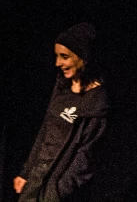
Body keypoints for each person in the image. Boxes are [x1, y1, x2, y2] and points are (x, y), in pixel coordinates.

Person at [14, 23, 109, 202]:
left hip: (57, 188)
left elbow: (85, 159)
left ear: (84, 57)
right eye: (57, 56)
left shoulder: (97, 103)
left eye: (64, 57)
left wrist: (57, 192)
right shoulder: (62, 85)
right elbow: (45, 130)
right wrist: (26, 172)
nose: (57, 63)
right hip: (36, 178)